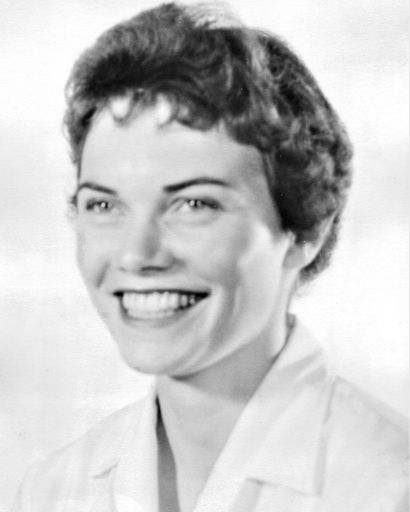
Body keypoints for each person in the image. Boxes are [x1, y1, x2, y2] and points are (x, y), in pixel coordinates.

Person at [13, 2, 408, 511]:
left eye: (194, 204)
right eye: (105, 205)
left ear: (304, 230)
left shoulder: (389, 488)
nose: (136, 254)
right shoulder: (50, 493)